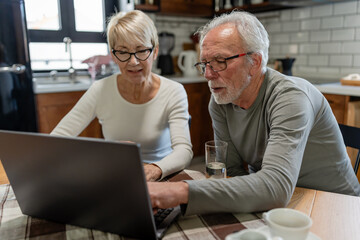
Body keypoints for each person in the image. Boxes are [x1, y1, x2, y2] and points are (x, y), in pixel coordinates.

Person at [148, 11, 360, 215]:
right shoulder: (221, 101)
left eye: (220, 61)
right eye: (204, 64)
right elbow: (230, 171)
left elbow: (275, 187)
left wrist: (180, 191)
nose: (209, 75)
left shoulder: (290, 97)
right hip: (282, 203)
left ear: (255, 63)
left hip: (338, 206)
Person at [51, 10, 193, 181]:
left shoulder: (174, 91)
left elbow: (184, 150)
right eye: (123, 52)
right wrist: (105, 151)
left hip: (162, 175)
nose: (133, 62)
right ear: (113, 56)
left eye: (141, 50)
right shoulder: (100, 89)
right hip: (116, 174)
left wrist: (155, 169)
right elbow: (57, 140)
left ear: (155, 52)